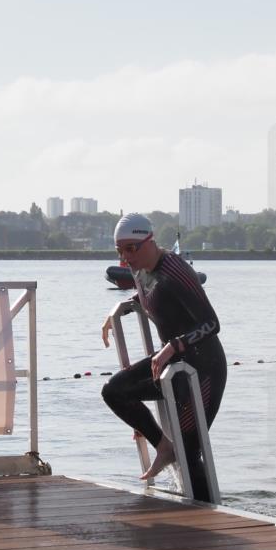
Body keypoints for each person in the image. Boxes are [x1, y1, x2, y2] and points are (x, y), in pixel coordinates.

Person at [100, 214, 226, 502]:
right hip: (171, 364)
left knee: (189, 453)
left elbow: (212, 324)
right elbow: (154, 294)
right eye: (119, 250)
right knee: (115, 391)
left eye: (131, 248)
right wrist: (121, 306)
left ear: (149, 241)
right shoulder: (138, 269)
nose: (125, 257)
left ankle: (208, 514)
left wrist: (172, 346)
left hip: (203, 369)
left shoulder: (175, 270)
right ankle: (163, 447)